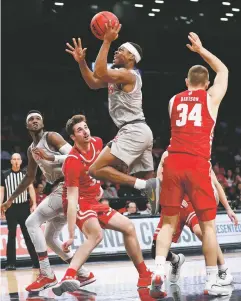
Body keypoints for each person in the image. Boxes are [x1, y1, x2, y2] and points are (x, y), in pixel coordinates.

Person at [150, 32, 230, 297]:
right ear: (206, 84)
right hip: (197, 163)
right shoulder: (210, 98)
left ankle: (158, 271)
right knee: (208, 226)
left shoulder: (174, 101)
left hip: (172, 161)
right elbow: (224, 69)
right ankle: (211, 281)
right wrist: (201, 50)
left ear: (186, 82)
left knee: (168, 224)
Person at [52, 114, 152, 296]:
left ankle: (144, 274)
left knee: (128, 227)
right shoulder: (72, 161)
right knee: (96, 235)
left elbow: (104, 168)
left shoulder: (98, 143)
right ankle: (69, 275)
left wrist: (103, 184)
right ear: (73, 137)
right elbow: (72, 198)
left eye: (86, 127)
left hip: (94, 201)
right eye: (79, 130)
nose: (85, 132)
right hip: (78, 202)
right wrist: (72, 234)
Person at [65, 22, 160, 213]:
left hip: (133, 130)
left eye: (121, 50)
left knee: (96, 169)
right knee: (148, 179)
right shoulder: (118, 76)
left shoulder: (129, 75)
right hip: (140, 130)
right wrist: (82, 62)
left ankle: (148, 188)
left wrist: (107, 41)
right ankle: (160, 209)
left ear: (132, 57)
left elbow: (100, 71)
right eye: (116, 49)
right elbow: (93, 82)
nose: (116, 52)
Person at [0, 110, 94, 291]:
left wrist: (51, 157)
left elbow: (77, 156)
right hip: (60, 190)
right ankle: (83, 273)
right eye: (31, 120)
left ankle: (46, 274)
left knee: (31, 222)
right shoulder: (31, 150)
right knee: (50, 238)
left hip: (68, 186)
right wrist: (10, 199)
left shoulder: (52, 137)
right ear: (27, 126)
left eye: (38, 119)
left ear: (42, 123)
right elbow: (29, 178)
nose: (35, 121)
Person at [151, 151, 238, 285]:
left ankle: (223, 269)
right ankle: (176, 260)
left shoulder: (201, 157)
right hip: (174, 203)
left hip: (192, 204)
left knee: (203, 232)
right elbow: (159, 180)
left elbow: (215, 184)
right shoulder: (168, 154)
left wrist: (228, 208)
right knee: (155, 250)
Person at [0, 153, 39, 270]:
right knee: (11, 235)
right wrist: (0, 206)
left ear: (21, 161)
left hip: (24, 207)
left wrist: (34, 203)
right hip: (11, 208)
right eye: (14, 159)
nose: (16, 161)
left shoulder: (25, 174)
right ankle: (11, 263)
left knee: (27, 235)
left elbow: (31, 188)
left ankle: (36, 262)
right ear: (11, 161)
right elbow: (1, 191)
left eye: (18, 159)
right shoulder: (4, 174)